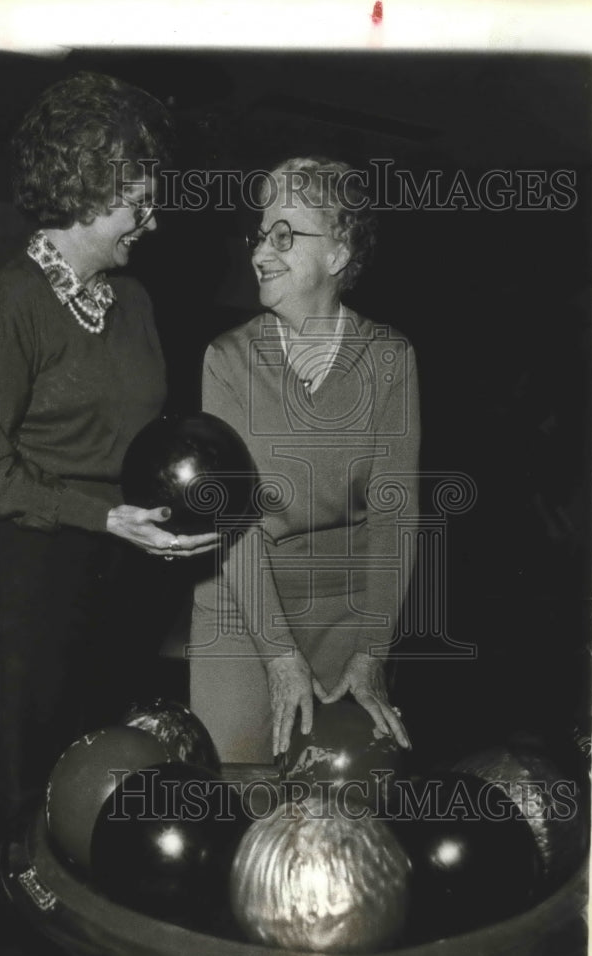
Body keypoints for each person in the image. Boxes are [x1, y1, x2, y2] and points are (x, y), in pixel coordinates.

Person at [0, 71, 217, 956]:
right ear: (85, 186)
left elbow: (147, 447)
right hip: (25, 568)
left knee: (98, 783)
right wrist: (108, 516)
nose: (151, 216)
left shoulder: (133, 304)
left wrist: (177, 514)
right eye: (136, 198)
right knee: (24, 795)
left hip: (117, 563)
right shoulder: (4, 307)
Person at [190, 157, 420, 763]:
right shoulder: (228, 359)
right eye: (261, 235)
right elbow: (230, 517)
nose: (261, 252)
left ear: (338, 253)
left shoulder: (390, 359)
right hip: (242, 606)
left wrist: (372, 650)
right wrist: (278, 656)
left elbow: (394, 517)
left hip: (347, 614)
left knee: (340, 811)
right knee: (240, 799)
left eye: (285, 235)